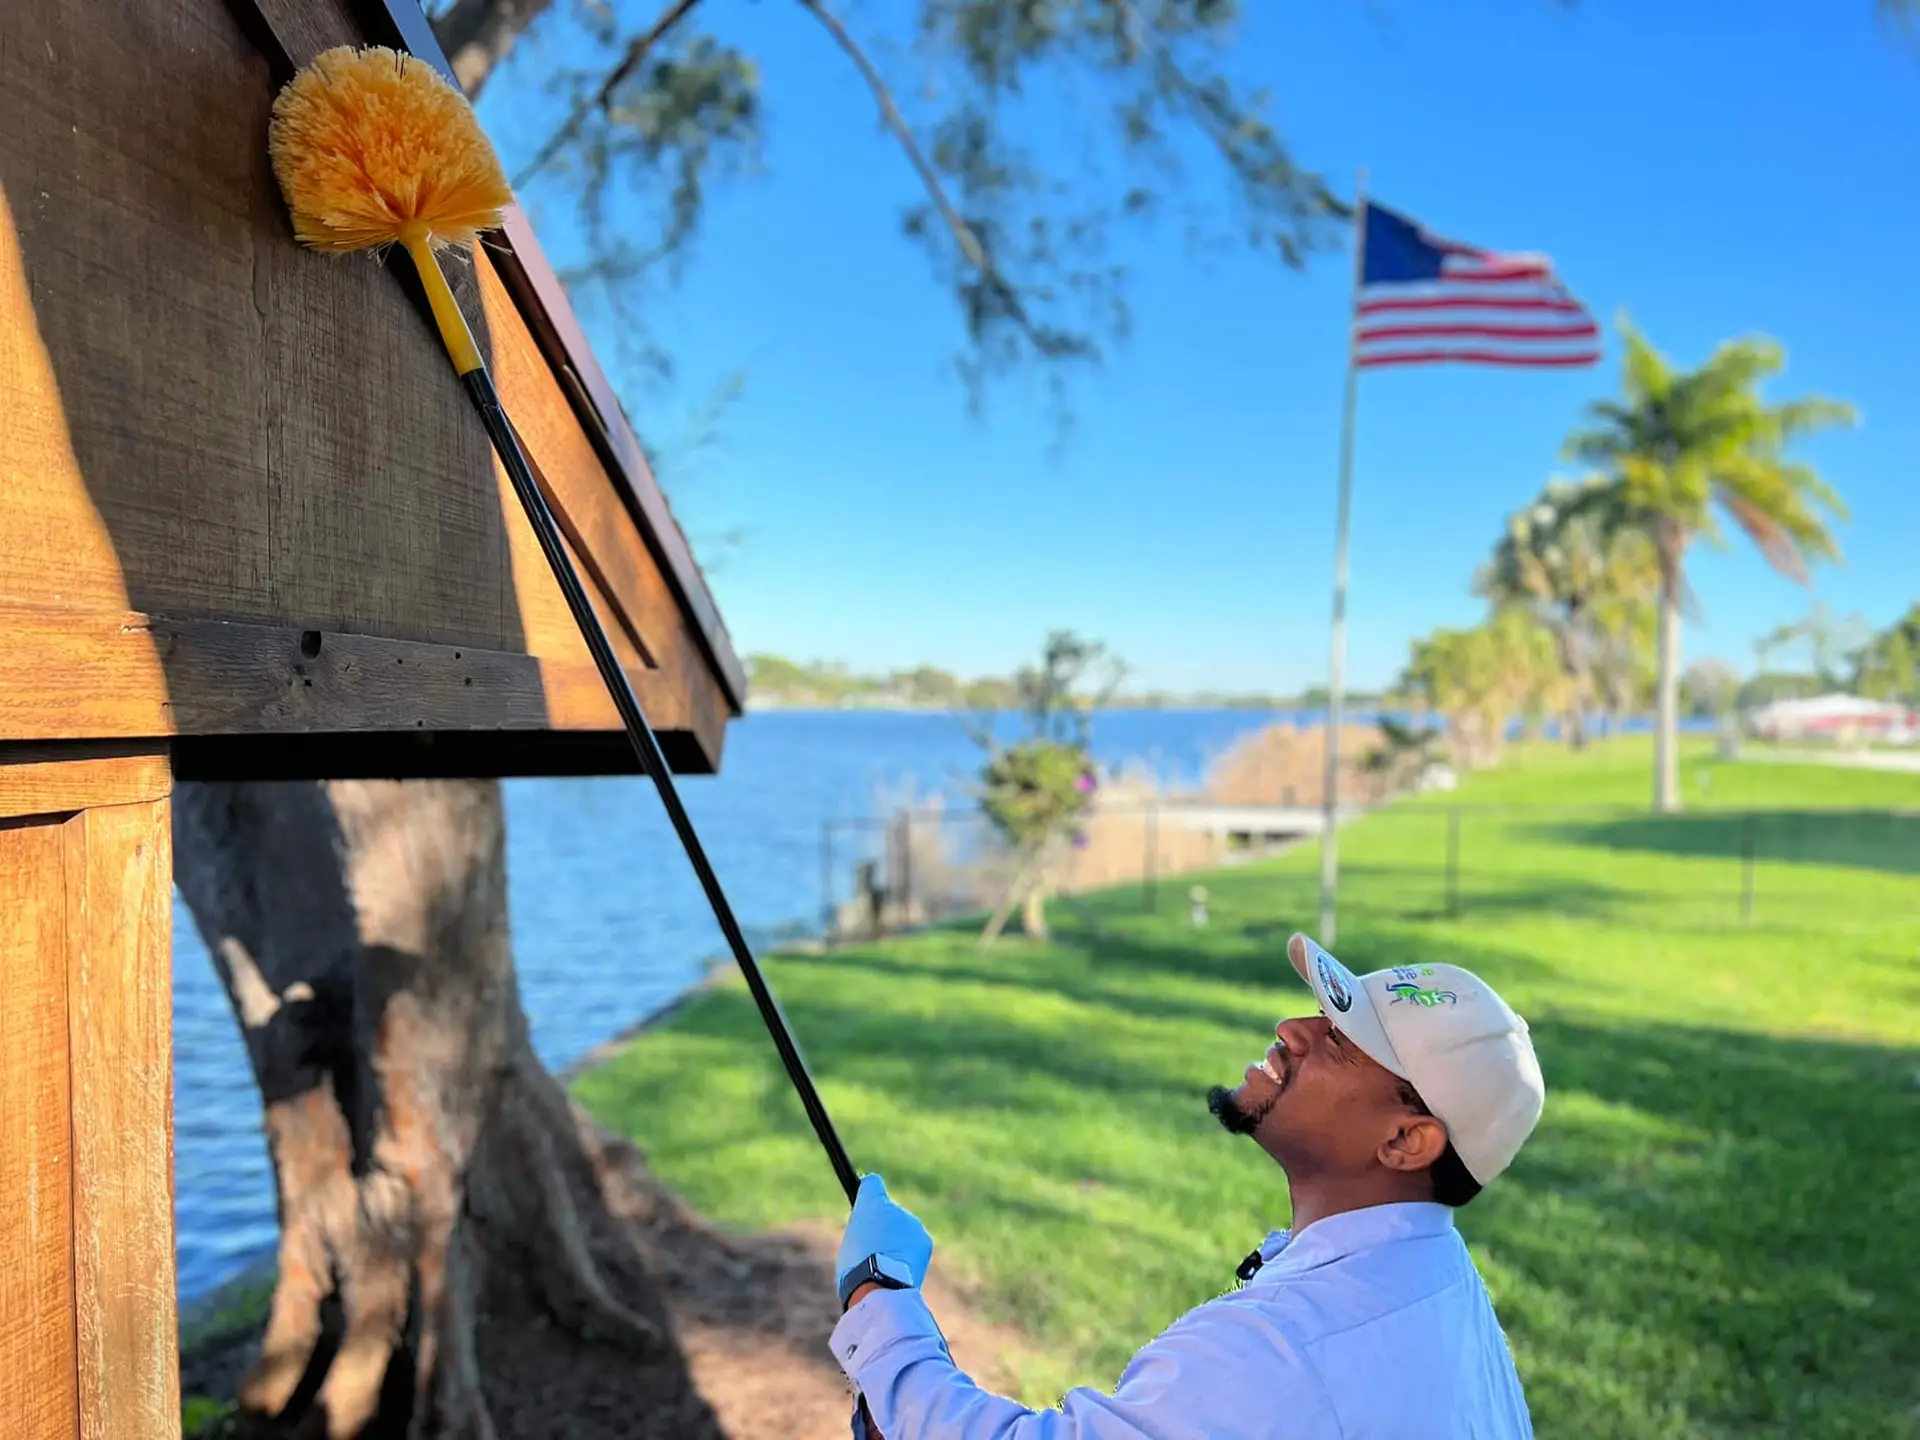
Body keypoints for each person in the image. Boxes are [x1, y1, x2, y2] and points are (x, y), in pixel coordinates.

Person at [829, 933, 1546, 1438]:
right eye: (1324, 1013)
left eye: (1336, 1042)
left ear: (1404, 1141)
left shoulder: (1284, 1350)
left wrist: (877, 1293)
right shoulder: (1440, 1281)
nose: (1292, 1028)